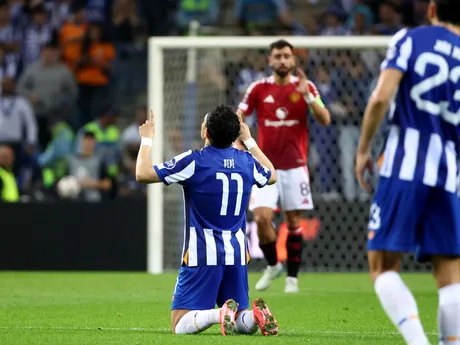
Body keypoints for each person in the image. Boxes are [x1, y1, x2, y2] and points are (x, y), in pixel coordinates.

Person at [355, 1, 460, 344]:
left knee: (382, 267)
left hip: (405, 163)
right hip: (448, 171)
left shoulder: (411, 39)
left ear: (432, 9)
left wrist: (364, 149)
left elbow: (381, 97)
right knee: (450, 275)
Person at [136, 105, 279, 336]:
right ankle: (254, 317)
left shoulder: (195, 161)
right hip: (236, 254)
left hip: (202, 254)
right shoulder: (246, 162)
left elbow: (142, 174)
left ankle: (217, 314)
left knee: (179, 324)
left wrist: (147, 139)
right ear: (236, 134)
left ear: (206, 133)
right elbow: (272, 174)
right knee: (240, 318)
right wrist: (250, 140)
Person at [237, 39, 331, 293]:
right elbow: (239, 114)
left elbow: (325, 118)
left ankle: (292, 279)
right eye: (277, 56)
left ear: (293, 60)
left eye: (286, 56)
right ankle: (272, 264)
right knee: (261, 218)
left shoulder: (307, 87)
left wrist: (309, 96)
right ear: (270, 60)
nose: (282, 60)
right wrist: (238, 139)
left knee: (293, 222)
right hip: (265, 166)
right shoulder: (258, 88)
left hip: (295, 166)